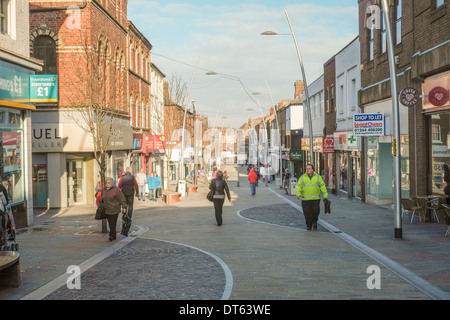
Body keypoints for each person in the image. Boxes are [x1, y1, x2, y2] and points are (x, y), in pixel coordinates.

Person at [296, 164, 329, 231]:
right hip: (306, 199)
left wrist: (325, 195)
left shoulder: (318, 177)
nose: (307, 170)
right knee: (307, 213)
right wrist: (298, 193)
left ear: (313, 170)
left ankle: (314, 221)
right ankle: (309, 225)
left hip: (315, 199)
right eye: (306, 169)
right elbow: (298, 186)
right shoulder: (302, 177)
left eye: (309, 169)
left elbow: (322, 186)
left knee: (316, 212)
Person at [118, 167, 139, 237]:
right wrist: (137, 192)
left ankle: (124, 214)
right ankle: (129, 217)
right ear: (130, 171)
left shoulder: (122, 177)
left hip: (124, 193)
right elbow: (136, 185)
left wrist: (119, 191)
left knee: (124, 205)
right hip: (130, 193)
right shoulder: (132, 177)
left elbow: (119, 185)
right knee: (130, 206)